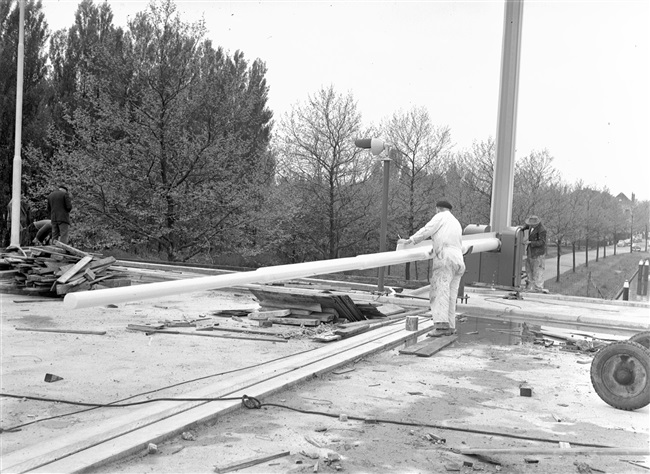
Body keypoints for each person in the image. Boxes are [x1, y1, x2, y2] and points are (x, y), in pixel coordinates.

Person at [398, 200, 465, 337]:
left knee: (439, 292)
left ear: (438, 209)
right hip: (458, 260)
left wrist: (410, 240)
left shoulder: (440, 216)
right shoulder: (456, 222)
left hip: (445, 259)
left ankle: (440, 327)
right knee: (451, 296)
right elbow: (448, 241)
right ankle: (450, 326)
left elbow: (427, 230)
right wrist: (433, 249)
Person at [522, 215, 547, 292]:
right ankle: (530, 286)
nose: (530, 225)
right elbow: (526, 226)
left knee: (538, 270)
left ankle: (538, 287)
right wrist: (521, 228)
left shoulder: (542, 230)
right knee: (529, 269)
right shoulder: (530, 226)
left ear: (536, 224)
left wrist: (530, 242)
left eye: (532, 224)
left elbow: (542, 242)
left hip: (538, 253)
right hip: (530, 252)